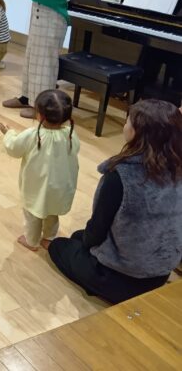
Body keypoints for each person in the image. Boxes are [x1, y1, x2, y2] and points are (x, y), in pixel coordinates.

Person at [48, 99, 182, 304]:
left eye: (128, 121)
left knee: (58, 246)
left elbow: (97, 230)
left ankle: (98, 284)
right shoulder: (177, 169)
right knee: (77, 236)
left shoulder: (121, 176)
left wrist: (87, 247)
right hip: (160, 273)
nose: (124, 125)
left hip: (118, 277)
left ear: (137, 132)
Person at [0, 90, 80, 252]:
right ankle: (49, 238)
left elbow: (14, 148)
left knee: (32, 214)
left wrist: (8, 134)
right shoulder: (70, 134)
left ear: (40, 115)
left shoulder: (33, 135)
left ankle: (31, 240)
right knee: (52, 212)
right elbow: (75, 150)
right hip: (60, 187)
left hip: (37, 187)